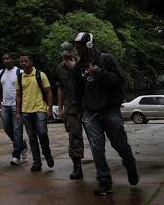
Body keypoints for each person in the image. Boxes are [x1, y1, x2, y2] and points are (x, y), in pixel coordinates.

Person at [71, 32, 138, 196]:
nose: (77, 49)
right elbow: (77, 91)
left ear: (89, 45)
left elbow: (120, 80)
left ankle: (129, 162)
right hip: (91, 112)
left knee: (119, 143)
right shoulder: (79, 67)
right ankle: (104, 181)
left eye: (79, 46)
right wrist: (79, 110)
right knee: (96, 146)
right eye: (76, 46)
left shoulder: (106, 59)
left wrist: (100, 72)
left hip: (110, 109)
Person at [15, 54, 54, 172]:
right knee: (32, 138)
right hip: (26, 111)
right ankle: (37, 162)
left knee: (42, 133)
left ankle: (47, 153)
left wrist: (49, 109)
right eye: (21, 62)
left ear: (31, 62)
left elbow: (49, 92)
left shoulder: (40, 75)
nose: (23, 63)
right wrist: (18, 111)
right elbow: (18, 95)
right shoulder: (19, 77)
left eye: (25, 61)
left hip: (40, 109)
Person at [55, 42, 84, 180]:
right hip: (71, 107)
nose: (66, 58)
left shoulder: (83, 63)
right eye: (64, 56)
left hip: (87, 106)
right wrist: (60, 108)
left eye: (68, 54)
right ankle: (77, 167)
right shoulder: (60, 68)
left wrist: (75, 69)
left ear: (74, 51)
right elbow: (60, 88)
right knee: (74, 137)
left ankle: (101, 166)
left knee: (96, 138)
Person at [0, 53, 28, 165]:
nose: (5, 60)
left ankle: (16, 155)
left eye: (7, 58)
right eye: (4, 59)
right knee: (7, 128)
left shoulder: (19, 72)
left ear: (13, 60)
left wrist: (23, 106)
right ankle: (22, 145)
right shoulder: (1, 73)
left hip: (16, 105)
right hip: (5, 105)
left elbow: (25, 90)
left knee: (17, 130)